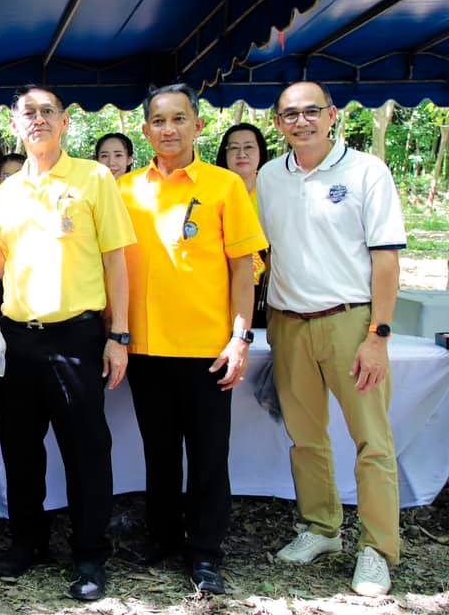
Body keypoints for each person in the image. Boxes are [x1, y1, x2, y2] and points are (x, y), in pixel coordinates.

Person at [0, 84, 135, 602]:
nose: (39, 119)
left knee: (86, 450)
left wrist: (118, 335)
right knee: (20, 449)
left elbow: (116, 259)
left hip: (76, 337)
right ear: (14, 124)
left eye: (48, 111)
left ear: (66, 121)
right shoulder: (5, 192)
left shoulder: (93, 178)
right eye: (28, 112)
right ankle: (27, 541)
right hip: (15, 339)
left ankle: (90, 553)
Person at [258, 81, 406, 597]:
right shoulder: (269, 176)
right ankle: (321, 527)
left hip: (351, 320)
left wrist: (377, 335)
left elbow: (386, 259)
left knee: (372, 440)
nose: (301, 122)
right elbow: (263, 251)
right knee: (305, 436)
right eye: (290, 114)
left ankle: (377, 548)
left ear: (332, 114)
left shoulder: (367, 171)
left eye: (311, 111)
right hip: (287, 322)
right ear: (278, 123)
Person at [119, 84, 267, 595]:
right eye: (159, 121)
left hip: (207, 348)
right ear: (146, 131)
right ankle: (161, 536)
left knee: (208, 456)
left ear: (198, 126)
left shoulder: (224, 186)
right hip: (145, 347)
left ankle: (204, 552)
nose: (169, 129)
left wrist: (240, 337)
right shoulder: (125, 191)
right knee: (158, 452)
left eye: (179, 119)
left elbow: (244, 268)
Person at [215, 123, 270, 328]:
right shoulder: (212, 190)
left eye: (248, 147)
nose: (241, 154)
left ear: (260, 152)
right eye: (234, 148)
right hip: (222, 287)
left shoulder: (274, 190)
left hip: (266, 289)